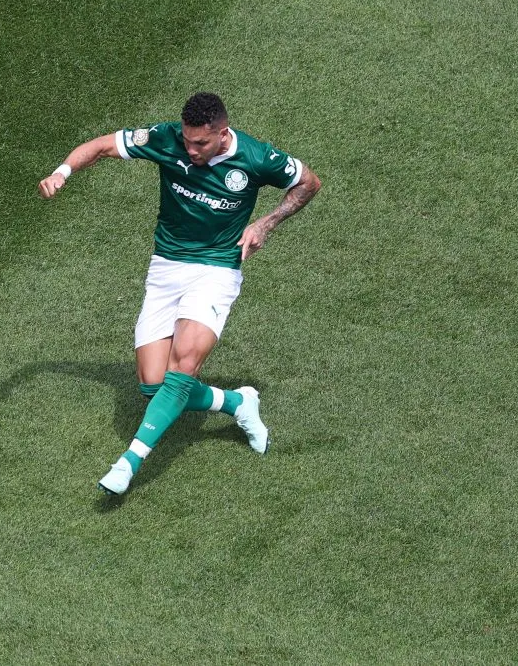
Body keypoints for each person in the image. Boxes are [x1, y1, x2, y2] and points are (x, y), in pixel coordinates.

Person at [38, 92, 321, 495]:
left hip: (217, 271)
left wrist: (265, 224)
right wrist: (62, 172)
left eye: (200, 144)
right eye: (187, 142)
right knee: (154, 384)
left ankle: (128, 463)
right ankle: (236, 403)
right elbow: (100, 146)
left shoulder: (258, 158)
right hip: (166, 268)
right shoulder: (166, 139)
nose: (190, 150)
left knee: (184, 362)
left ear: (223, 134)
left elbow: (309, 182)